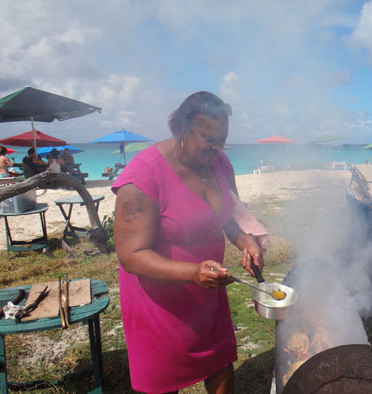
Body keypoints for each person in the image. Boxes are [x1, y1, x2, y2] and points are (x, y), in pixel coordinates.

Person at [113, 91, 265, 394]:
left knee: (220, 361)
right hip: (159, 304)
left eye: (222, 138)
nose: (218, 147)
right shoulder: (143, 175)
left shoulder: (220, 163)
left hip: (208, 291)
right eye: (209, 138)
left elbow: (225, 216)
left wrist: (244, 239)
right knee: (163, 381)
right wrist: (191, 273)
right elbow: (130, 255)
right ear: (182, 131)